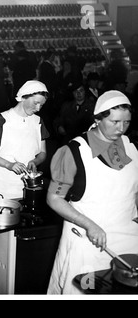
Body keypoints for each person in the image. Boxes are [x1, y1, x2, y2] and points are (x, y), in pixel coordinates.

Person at [47, 90, 138, 294]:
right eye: (114, 122)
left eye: (126, 122)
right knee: (85, 290)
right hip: (88, 242)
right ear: (97, 119)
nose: (121, 129)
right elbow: (54, 198)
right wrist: (89, 225)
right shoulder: (74, 152)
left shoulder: (130, 148)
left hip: (127, 240)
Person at [0, 80, 49, 201]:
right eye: (35, 103)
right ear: (23, 97)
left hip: (27, 186)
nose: (38, 108)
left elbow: (43, 153)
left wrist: (35, 161)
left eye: (42, 105)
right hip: (1, 186)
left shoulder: (38, 121)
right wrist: (9, 165)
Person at [54, 81, 95, 145]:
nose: (78, 93)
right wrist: (59, 127)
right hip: (68, 140)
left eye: (81, 91)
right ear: (73, 93)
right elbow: (59, 120)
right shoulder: (66, 106)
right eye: (76, 91)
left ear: (85, 92)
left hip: (87, 140)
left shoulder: (92, 107)